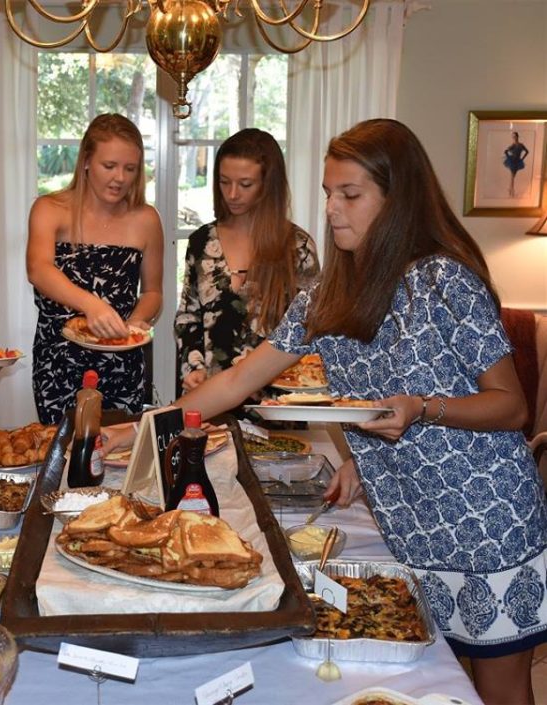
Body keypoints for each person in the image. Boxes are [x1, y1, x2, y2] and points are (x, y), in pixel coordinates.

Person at [106, 118, 547, 705]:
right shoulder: (327, 295)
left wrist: (424, 408)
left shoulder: (444, 280)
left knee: (496, 687)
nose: (333, 209)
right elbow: (239, 378)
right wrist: (148, 426)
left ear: (398, 199)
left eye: (351, 195)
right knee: (445, 680)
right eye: (328, 194)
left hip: (484, 518)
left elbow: (512, 405)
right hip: (412, 522)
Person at [27, 113, 163, 424]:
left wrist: (136, 323)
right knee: (66, 458)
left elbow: (153, 291)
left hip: (123, 362)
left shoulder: (146, 219)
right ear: (87, 160)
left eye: (130, 169)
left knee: (122, 457)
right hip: (59, 363)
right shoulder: (50, 209)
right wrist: (92, 306)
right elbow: (38, 269)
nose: (120, 178)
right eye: (110, 166)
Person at [174, 128, 318, 401]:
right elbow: (188, 316)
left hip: (277, 404)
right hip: (210, 400)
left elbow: (310, 330)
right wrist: (192, 367)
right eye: (224, 182)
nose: (232, 194)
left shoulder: (297, 247)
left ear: (268, 184)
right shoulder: (202, 242)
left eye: (245, 184)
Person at [503, 131, 529, 198]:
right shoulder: (513, 145)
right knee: (512, 176)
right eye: (513, 137)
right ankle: (512, 191)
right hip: (512, 161)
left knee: (513, 176)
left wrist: (522, 159)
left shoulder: (521, 145)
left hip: (517, 162)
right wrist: (507, 152)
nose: (514, 137)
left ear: (517, 136)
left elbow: (527, 151)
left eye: (515, 136)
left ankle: (510, 189)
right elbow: (506, 150)